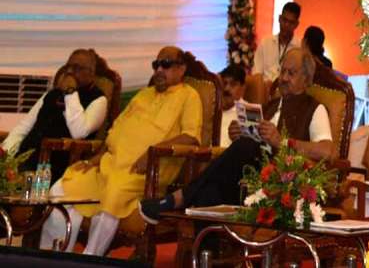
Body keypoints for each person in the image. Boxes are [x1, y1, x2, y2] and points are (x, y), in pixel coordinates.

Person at [138, 48, 334, 224]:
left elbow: (327, 151)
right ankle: (207, 253)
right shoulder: (271, 106)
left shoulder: (315, 109)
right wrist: (240, 132)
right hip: (249, 179)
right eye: (282, 71)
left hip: (281, 182)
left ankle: (178, 198)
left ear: (306, 79)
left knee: (246, 146)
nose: (283, 78)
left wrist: (281, 142)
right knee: (208, 195)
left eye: (291, 73)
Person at [39, 46, 202, 255]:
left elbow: (191, 137)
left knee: (113, 195)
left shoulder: (189, 96)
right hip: (111, 163)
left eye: (166, 64)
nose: (159, 70)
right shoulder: (143, 94)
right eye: (156, 65)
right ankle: (54, 257)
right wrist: (97, 157)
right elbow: (115, 131)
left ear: (181, 68)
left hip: (145, 171)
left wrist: (151, 154)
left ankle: (90, 260)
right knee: (62, 189)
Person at [2, 49, 107, 183]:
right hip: (23, 159)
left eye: (77, 68)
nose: (70, 72)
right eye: (68, 67)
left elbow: (79, 132)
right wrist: (4, 156)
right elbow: (24, 127)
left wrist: (70, 93)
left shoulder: (99, 100)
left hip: (53, 168)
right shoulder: (52, 93)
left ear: (91, 73)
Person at [253, 2, 301, 84]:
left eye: (291, 22)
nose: (286, 25)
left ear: (296, 24)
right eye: (284, 20)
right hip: (264, 89)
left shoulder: (299, 48)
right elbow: (257, 73)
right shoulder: (265, 43)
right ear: (279, 19)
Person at [218, 64, 253, 148]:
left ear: (243, 88)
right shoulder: (213, 108)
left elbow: (256, 148)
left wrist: (240, 140)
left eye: (233, 84)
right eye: (224, 83)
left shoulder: (250, 111)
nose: (226, 88)